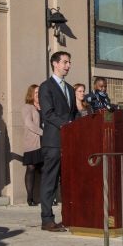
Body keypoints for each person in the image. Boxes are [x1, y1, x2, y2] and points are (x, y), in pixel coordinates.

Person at [38, 51, 76, 231]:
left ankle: (69, 216)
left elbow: (73, 113)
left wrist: (78, 126)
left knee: (68, 181)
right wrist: (68, 125)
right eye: (65, 62)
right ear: (55, 63)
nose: (68, 66)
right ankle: (47, 219)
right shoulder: (46, 87)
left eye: (69, 63)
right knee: (49, 181)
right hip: (53, 142)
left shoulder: (69, 89)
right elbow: (48, 114)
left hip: (69, 143)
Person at [22, 84, 44, 206]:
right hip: (33, 142)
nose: (38, 95)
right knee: (31, 168)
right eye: (36, 93)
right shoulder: (27, 107)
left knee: (45, 169)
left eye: (39, 92)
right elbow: (28, 124)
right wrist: (43, 133)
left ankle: (48, 197)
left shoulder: (44, 106)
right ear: (31, 94)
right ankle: (30, 198)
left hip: (45, 142)